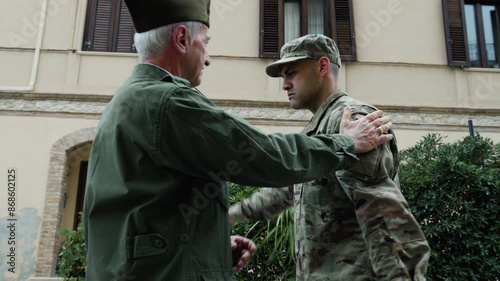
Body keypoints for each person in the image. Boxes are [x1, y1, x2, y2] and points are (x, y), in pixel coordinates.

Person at [82, 1, 395, 280]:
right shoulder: (168, 103)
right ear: (181, 39)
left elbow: (143, 214)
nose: (207, 59)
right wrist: (346, 143)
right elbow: (265, 157)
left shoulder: (124, 103)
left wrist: (210, 252)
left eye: (292, 72)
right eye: (205, 44)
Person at [229, 34, 431, 281]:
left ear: (322, 66)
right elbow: (285, 191)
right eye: (283, 77)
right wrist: (231, 216)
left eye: (291, 73)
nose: (284, 85)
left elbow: (384, 217)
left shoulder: (353, 122)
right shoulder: (318, 130)